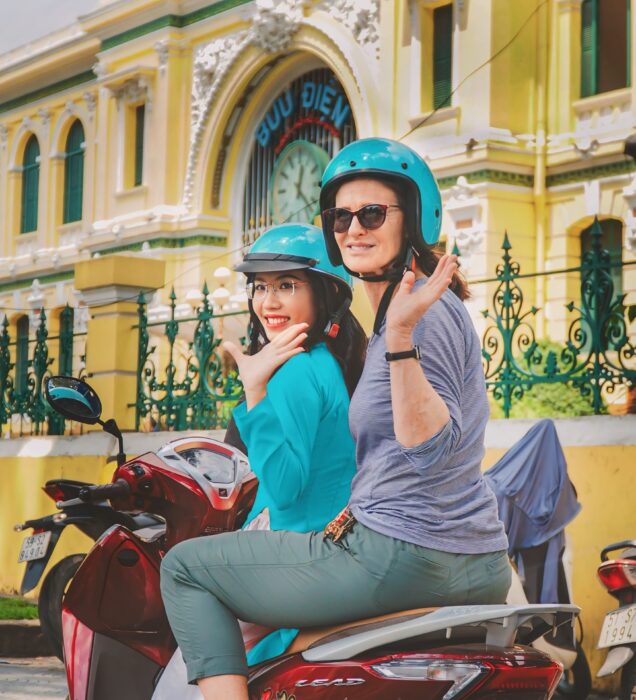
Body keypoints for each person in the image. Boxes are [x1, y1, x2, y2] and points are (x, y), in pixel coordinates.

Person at [160, 138, 511, 700]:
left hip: (401, 552)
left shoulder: (418, 314)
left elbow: (430, 450)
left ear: (413, 217)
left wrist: (399, 337)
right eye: (340, 218)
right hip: (448, 550)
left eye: (372, 213)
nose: (353, 229)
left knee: (183, 568)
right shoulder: (391, 319)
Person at [153, 223, 367, 698]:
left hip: (295, 549)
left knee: (182, 586)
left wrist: (254, 389)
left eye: (286, 285)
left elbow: (286, 488)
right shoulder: (333, 363)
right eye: (260, 286)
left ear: (326, 295)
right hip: (334, 541)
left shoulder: (295, 371)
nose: (268, 302)